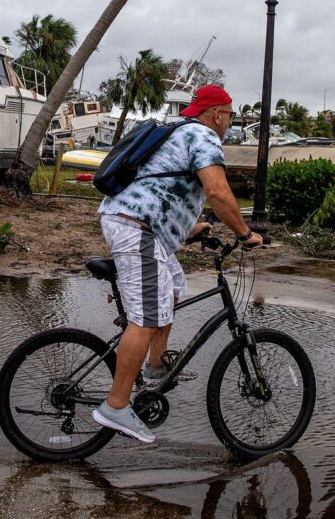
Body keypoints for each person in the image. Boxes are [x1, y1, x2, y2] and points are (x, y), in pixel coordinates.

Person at [92, 84, 263, 444]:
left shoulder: (181, 131)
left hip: (140, 225)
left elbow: (162, 188)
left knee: (170, 288)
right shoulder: (203, 136)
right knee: (148, 315)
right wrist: (245, 233)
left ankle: (155, 369)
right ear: (217, 113)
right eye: (231, 116)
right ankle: (116, 405)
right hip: (133, 226)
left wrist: (188, 229)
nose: (231, 122)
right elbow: (217, 191)